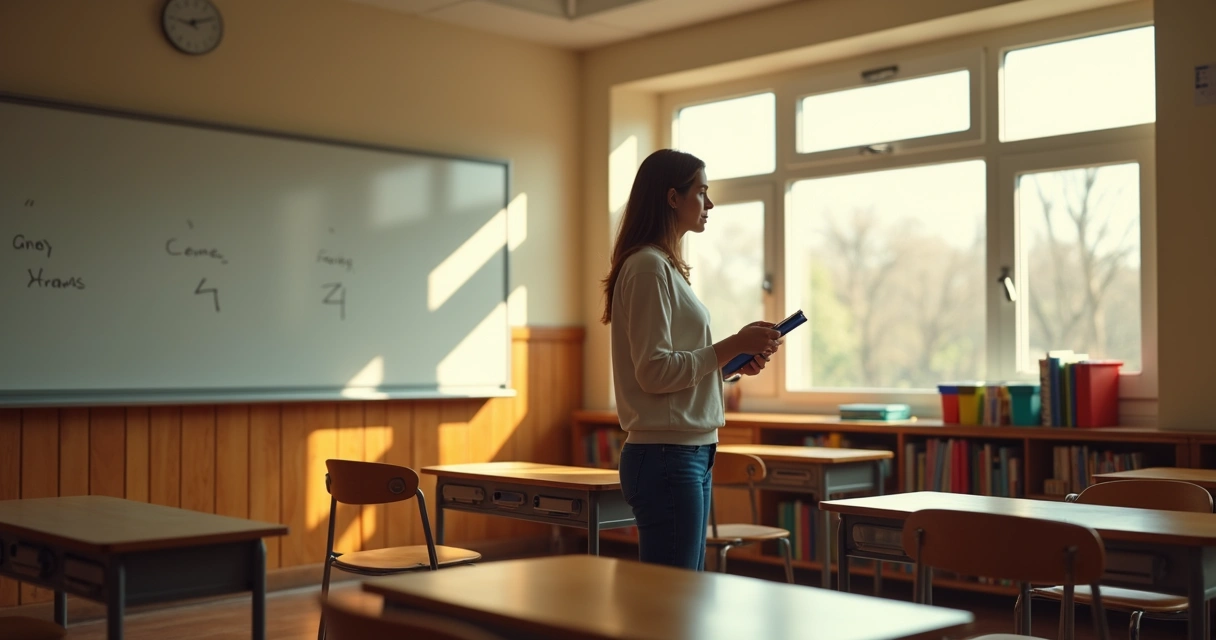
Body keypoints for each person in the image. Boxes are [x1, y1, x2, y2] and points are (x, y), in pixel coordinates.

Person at [600, 148, 781, 571]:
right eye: (701, 192)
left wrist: (731, 365)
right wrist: (732, 344)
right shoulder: (647, 267)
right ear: (672, 198)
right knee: (674, 599)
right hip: (667, 454)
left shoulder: (665, 266)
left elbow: (674, 369)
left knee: (684, 593)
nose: (710, 204)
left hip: (687, 450)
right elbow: (655, 372)